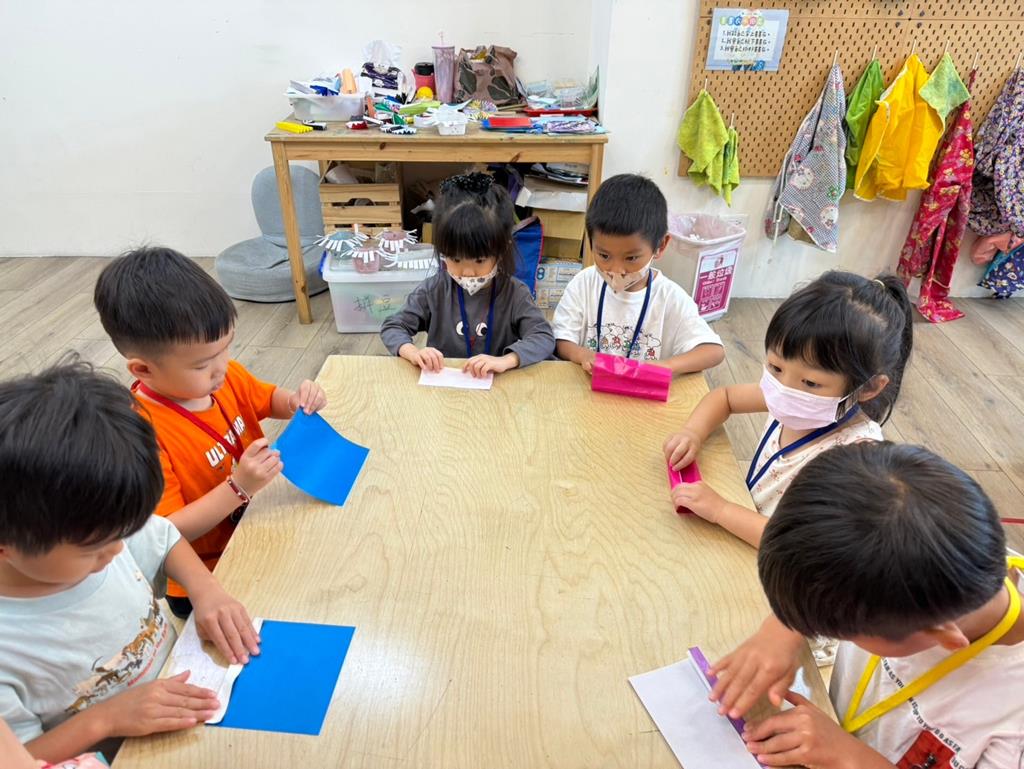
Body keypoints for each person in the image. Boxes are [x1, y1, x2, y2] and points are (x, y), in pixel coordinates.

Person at [0, 361, 260, 761]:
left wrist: (206, 590)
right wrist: (105, 720)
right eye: (94, 550)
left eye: (123, 533)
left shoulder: (94, 528)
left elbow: (165, 537)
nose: (119, 550)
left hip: (189, 712)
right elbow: (21, 756)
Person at [709, 442, 1024, 769]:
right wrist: (783, 626)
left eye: (843, 631)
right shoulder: (940, 559)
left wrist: (850, 757)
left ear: (946, 638)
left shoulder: (1014, 724)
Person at [94, 246, 327, 618]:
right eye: (203, 364)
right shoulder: (139, 436)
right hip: (205, 579)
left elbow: (267, 399)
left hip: (255, 532)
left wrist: (295, 401)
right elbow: (165, 533)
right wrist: (238, 488)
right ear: (143, 370)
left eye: (226, 348)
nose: (222, 368)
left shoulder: (224, 376)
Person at [663, 271, 913, 548]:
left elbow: (800, 543)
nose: (784, 388)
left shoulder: (857, 458)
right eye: (775, 367)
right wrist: (692, 433)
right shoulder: (794, 397)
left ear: (869, 387)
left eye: (811, 382)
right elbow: (725, 398)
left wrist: (721, 510)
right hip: (740, 532)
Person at [380, 172, 555, 378]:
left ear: (501, 250)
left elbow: (543, 337)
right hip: (444, 384)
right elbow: (393, 326)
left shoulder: (515, 294)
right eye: (455, 259)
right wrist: (413, 352)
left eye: (479, 261)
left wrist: (506, 360)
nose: (467, 272)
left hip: (498, 386)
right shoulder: (434, 290)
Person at [552, 174, 724, 374]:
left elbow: (714, 351)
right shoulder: (583, 284)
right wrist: (582, 355)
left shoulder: (670, 298)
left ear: (660, 246)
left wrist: (664, 367)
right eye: (604, 255)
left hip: (643, 391)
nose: (616, 270)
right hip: (588, 387)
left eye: (631, 258)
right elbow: (561, 339)